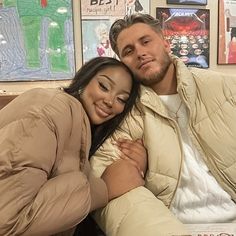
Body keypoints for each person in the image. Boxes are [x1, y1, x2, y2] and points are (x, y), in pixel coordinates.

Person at [90, 13, 236, 235]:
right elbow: (108, 185)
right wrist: (144, 171)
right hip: (171, 223)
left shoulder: (224, 88)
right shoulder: (125, 112)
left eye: (145, 41)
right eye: (128, 51)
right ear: (123, 63)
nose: (140, 52)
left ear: (165, 42)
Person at [0, 56, 147, 236]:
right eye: (103, 86)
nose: (110, 101)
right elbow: (8, 222)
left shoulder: (80, 126)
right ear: (84, 79)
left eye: (121, 99)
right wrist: (104, 188)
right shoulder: (53, 108)